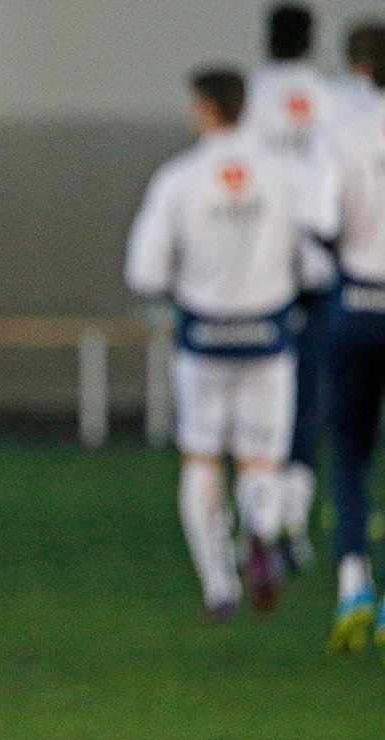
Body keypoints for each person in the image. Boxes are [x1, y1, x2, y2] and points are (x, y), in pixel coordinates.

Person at [126, 69, 307, 619]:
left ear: (204, 108)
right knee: (261, 456)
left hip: (203, 335)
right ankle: (261, 530)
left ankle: (219, 586)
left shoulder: (179, 178)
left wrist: (188, 284)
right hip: (268, 332)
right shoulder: (285, 173)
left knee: (202, 457)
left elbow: (143, 273)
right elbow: (315, 260)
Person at [243, 3, 338, 572]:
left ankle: (260, 521)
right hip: (322, 271)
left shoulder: (251, 100)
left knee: (257, 404)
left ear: (267, 40)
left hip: (263, 273)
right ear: (311, 41)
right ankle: (294, 525)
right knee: (309, 398)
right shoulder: (331, 99)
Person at [304, 33, 385, 651]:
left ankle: (354, 583)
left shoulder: (341, 131)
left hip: (356, 302)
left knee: (351, 452)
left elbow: (320, 219)